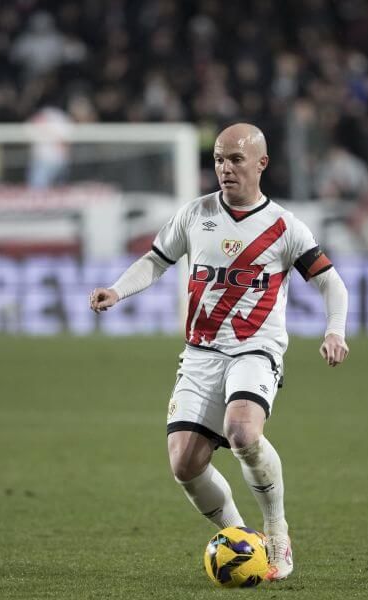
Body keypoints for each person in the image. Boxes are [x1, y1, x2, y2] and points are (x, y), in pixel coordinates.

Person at [89, 123, 349, 581]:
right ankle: (245, 539)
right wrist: (117, 290)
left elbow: (331, 283)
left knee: (243, 432)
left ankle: (277, 531)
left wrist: (335, 331)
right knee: (185, 464)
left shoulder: (284, 227)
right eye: (218, 160)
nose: (225, 168)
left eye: (235, 159)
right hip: (200, 354)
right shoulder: (196, 214)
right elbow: (155, 261)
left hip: (255, 350)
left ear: (261, 164)